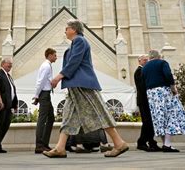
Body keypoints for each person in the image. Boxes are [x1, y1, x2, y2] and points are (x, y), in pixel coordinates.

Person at [43, 19, 128, 158]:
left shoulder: (80, 41)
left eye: (67, 28)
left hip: (82, 84)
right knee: (68, 116)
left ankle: (119, 143)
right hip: (75, 85)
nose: (65, 31)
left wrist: (58, 77)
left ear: (74, 30)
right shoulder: (76, 43)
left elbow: (74, 61)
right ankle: (60, 148)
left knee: (99, 111)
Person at [142, 50, 185, 152]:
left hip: (151, 94)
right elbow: (168, 75)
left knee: (159, 118)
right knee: (171, 115)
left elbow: (143, 81)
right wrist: (173, 88)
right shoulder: (162, 63)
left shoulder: (145, 67)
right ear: (159, 56)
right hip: (163, 91)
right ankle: (167, 144)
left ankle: (166, 144)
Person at [134, 54, 161, 152]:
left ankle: (151, 142)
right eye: (144, 60)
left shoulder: (144, 71)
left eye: (147, 60)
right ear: (139, 61)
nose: (146, 61)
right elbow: (142, 86)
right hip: (144, 100)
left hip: (148, 100)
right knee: (147, 122)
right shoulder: (139, 71)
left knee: (150, 122)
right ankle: (141, 142)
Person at [33, 48, 57, 154]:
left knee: (51, 118)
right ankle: (39, 145)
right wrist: (36, 95)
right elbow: (40, 81)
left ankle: (44, 143)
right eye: (55, 55)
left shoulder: (47, 66)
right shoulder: (46, 66)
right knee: (42, 119)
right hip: (44, 94)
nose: (56, 57)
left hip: (46, 94)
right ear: (50, 55)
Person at [0, 58, 18, 153]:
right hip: (2, 104)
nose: (10, 66)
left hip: (9, 105)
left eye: (11, 64)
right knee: (0, 125)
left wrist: (15, 103)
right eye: (9, 64)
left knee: (6, 125)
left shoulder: (9, 76)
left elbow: (13, 90)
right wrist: (0, 101)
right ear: (3, 64)